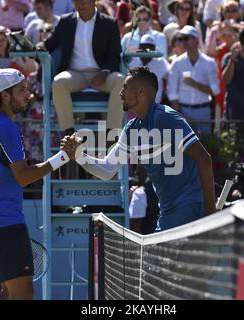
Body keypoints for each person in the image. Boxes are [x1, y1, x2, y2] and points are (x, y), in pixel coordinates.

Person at [61, 66, 217, 231]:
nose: (121, 93)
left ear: (141, 93)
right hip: (167, 212)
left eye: (125, 88)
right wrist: (79, 155)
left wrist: (210, 211)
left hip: (189, 208)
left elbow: (204, 158)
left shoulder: (165, 117)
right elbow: (107, 169)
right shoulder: (131, 129)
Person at [0, 68, 70, 300]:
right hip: (5, 225)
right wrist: (63, 157)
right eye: (21, 90)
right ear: (5, 95)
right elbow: (23, 177)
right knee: (22, 295)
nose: (28, 94)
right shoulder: (7, 128)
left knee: (7, 294)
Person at [40, 0, 125, 136]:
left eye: (84, 1)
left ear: (93, 2)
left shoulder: (109, 23)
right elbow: (49, 44)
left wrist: (104, 72)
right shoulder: (66, 21)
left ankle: (112, 134)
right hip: (75, 74)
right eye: (77, 1)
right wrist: (33, 48)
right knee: (58, 83)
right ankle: (69, 134)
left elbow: (114, 54)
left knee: (121, 81)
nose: (80, 5)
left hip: (101, 74)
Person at [168, 25, 219, 137]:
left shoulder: (209, 63)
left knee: (205, 147)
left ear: (196, 40)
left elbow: (215, 90)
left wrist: (194, 84)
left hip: (203, 111)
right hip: (183, 111)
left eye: (187, 38)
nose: (184, 42)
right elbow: (172, 93)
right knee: (183, 150)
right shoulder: (177, 63)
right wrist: (180, 115)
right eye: (182, 39)